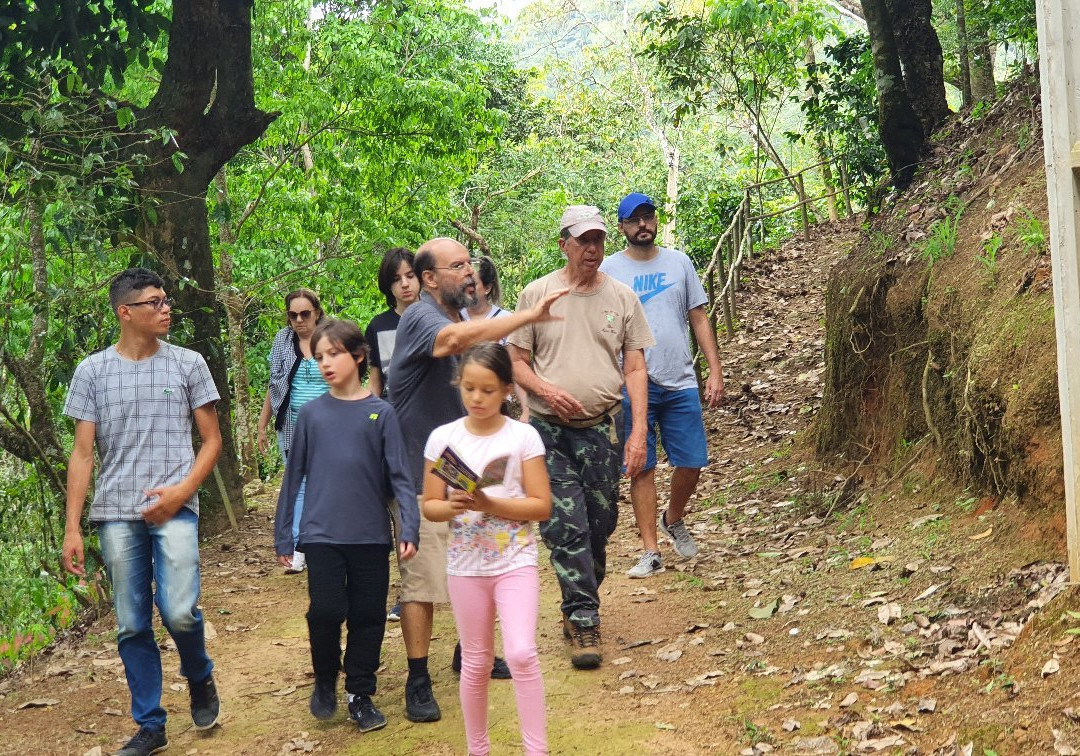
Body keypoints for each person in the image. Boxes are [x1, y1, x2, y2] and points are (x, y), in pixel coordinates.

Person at [387, 236, 568, 722]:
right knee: (423, 578)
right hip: (417, 464)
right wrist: (528, 316)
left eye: (470, 263)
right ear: (429, 279)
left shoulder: (455, 319)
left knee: (481, 551)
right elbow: (453, 344)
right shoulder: (422, 318)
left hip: (457, 463)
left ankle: (473, 650)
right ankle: (417, 677)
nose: (469, 272)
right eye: (457, 265)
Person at [62, 268, 222, 756]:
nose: (165, 308)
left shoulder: (188, 363)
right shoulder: (92, 371)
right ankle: (150, 724)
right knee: (132, 623)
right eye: (154, 302)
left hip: (174, 508)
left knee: (177, 611)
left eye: (166, 299)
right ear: (125, 312)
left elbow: (212, 441)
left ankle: (199, 675)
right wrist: (73, 526)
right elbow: (83, 452)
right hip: (115, 513)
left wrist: (180, 493)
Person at [508, 205, 654, 670]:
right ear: (563, 244)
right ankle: (583, 617)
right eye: (583, 240)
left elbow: (634, 367)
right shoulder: (538, 294)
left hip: (601, 428)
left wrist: (636, 435)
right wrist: (547, 389)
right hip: (548, 431)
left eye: (598, 240)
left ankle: (579, 597)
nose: (592, 249)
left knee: (599, 524)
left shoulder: (622, 297)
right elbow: (515, 362)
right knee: (565, 525)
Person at [275, 319, 418, 733]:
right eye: (319, 356)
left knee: (368, 615)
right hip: (321, 534)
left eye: (334, 353)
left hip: (371, 535)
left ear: (358, 356)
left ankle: (360, 692)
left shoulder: (381, 412)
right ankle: (324, 678)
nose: (325, 363)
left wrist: (408, 526)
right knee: (326, 611)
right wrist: (285, 533)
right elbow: (294, 475)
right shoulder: (311, 415)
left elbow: (401, 478)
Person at [422, 342, 551, 756]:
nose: (477, 398)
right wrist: (452, 504)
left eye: (488, 390)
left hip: (515, 560)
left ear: (508, 390)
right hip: (465, 566)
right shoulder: (444, 438)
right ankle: (478, 749)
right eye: (470, 388)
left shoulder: (523, 437)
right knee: (476, 661)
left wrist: (491, 503)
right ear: (459, 384)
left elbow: (541, 504)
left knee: (521, 653)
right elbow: (430, 506)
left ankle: (537, 749)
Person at [601, 192, 726, 578]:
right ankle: (650, 550)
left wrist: (716, 370)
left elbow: (699, 317)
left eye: (648, 217)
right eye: (634, 219)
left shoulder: (679, 262)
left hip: (680, 377)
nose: (643, 224)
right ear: (621, 227)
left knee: (692, 461)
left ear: (655, 221)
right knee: (642, 467)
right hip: (630, 383)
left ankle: (673, 517)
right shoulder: (608, 270)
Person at [257, 288, 329, 574]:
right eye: (292, 315)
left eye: (305, 314)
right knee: (297, 487)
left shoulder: (332, 337)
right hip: (291, 426)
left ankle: (324, 544)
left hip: (328, 427)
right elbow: (274, 386)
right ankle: (299, 549)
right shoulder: (282, 341)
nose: (299, 320)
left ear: (317, 313)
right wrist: (263, 424)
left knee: (325, 487)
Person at [461, 255, 529, 421]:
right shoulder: (454, 318)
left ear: (487, 288)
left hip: (496, 405)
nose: (468, 289)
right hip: (460, 403)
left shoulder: (505, 320)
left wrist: (526, 410)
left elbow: (516, 365)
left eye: (473, 284)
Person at [366, 247, 420, 398]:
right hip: (393, 412)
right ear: (388, 285)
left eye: (410, 276)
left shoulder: (438, 316)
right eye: (396, 279)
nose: (405, 284)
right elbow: (376, 381)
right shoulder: (378, 326)